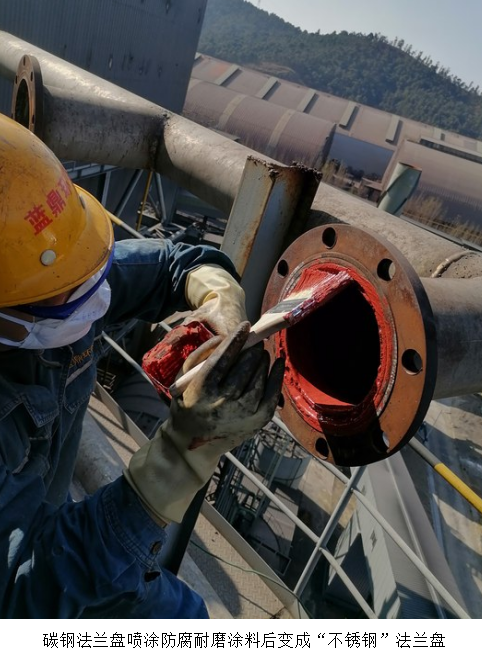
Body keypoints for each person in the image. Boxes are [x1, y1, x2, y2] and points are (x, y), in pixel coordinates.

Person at [0, 113, 285, 618]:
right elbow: (26, 593)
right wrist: (177, 459)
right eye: (58, 292)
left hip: (46, 513)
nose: (86, 294)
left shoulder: (50, 282)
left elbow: (169, 265)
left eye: (80, 268)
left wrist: (216, 294)